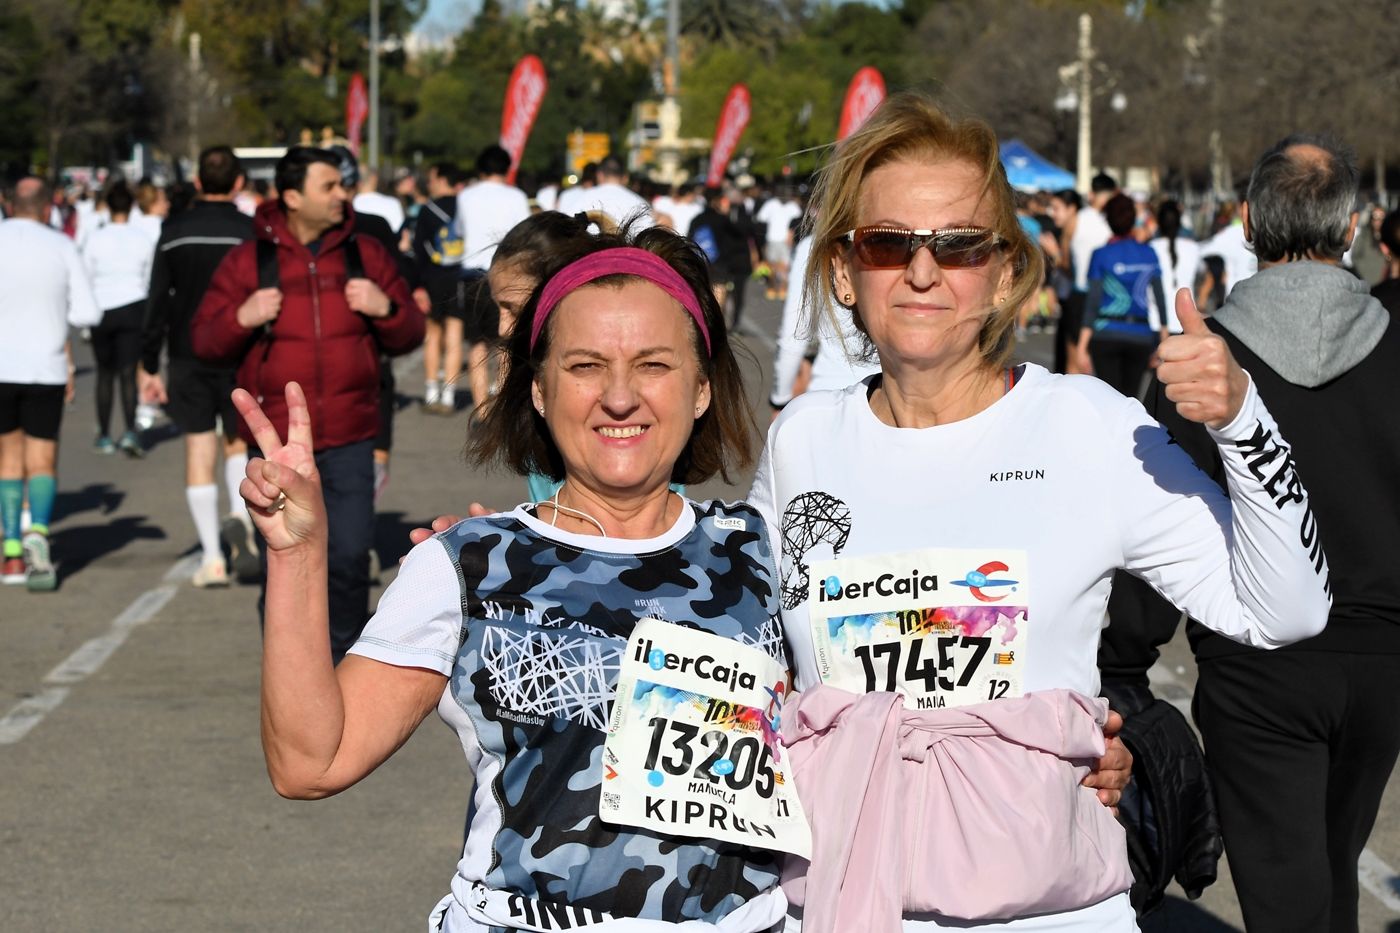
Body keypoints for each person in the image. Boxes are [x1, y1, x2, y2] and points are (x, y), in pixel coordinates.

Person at [752, 91, 1331, 931]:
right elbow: (746, 651)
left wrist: (1242, 418)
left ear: (1004, 272)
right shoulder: (801, 438)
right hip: (840, 901)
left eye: (956, 246)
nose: (922, 272)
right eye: (887, 244)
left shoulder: (1088, 426)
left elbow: (1286, 609)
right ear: (842, 269)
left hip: (1047, 910)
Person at [241, 223, 806, 931]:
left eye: (654, 364)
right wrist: (297, 555)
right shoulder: (467, 564)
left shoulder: (769, 556)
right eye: (585, 366)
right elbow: (309, 761)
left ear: (700, 388)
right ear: (537, 388)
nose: (621, 396)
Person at [1138, 134, 1399, 933]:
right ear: (1349, 225)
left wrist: (1122, 659)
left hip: (1257, 665)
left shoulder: (1203, 359)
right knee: (1334, 871)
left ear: (1247, 223)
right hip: (1382, 657)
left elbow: (1153, 509)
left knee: (1286, 893)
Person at [191, 146, 422, 661]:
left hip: (350, 436)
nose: (343, 195)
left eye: (342, 185)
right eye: (330, 186)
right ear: (292, 196)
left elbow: (410, 331)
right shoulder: (249, 260)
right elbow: (204, 341)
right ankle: (288, 662)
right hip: (278, 446)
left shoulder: (366, 254)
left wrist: (385, 309)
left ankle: (341, 661)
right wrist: (242, 318)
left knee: (347, 556)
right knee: (285, 556)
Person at [140, 145, 259, 588]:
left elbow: (156, 299)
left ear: (196, 183)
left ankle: (211, 557)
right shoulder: (251, 232)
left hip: (187, 351)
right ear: (239, 183)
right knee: (236, 442)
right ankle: (239, 517)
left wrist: (149, 361)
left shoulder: (174, 231)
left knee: (197, 448)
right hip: (239, 350)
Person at [0, 177, 102, 589]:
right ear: (48, 208)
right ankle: (38, 534)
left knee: (7, 458)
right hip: (46, 367)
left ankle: (9, 552)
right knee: (41, 459)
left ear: (7, 205)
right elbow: (89, 314)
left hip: (2, 366)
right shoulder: (60, 245)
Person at [456, 144, 531, 419]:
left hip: (473, 273)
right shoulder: (517, 197)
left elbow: (459, 229)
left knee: (477, 343)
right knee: (506, 342)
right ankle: (502, 404)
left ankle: (481, 410)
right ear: (506, 167)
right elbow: (525, 235)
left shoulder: (466, 195)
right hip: (508, 272)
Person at [81, 181, 154, 458]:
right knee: (127, 373)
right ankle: (131, 431)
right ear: (131, 206)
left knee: (104, 373)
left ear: (107, 208)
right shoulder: (141, 238)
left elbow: (87, 276)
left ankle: (103, 434)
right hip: (134, 307)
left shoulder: (96, 239)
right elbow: (148, 278)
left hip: (102, 309)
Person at [1073, 192, 1168, 397]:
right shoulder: (1149, 253)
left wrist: (1082, 347)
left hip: (1106, 332)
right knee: (1132, 400)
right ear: (1134, 219)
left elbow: (1093, 301)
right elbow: (1160, 298)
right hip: (1140, 334)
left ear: (1109, 220)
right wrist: (1164, 338)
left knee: (1108, 399)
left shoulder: (1101, 254)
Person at [413, 161, 467, 415]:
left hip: (433, 275)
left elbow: (419, 248)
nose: (430, 184)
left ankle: (431, 389)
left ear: (443, 180)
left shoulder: (427, 210)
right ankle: (449, 395)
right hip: (460, 275)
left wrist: (418, 283)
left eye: (433, 179)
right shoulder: (465, 207)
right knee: (455, 333)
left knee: (432, 333)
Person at [553, 154, 653, 229]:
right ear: (625, 177)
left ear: (599, 175)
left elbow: (566, 230)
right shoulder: (640, 204)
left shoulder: (582, 198)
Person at [1148, 200, 1202, 335]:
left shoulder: (1150, 248)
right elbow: (1203, 271)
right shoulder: (1193, 248)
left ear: (1158, 223)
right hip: (1186, 322)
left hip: (1155, 322)